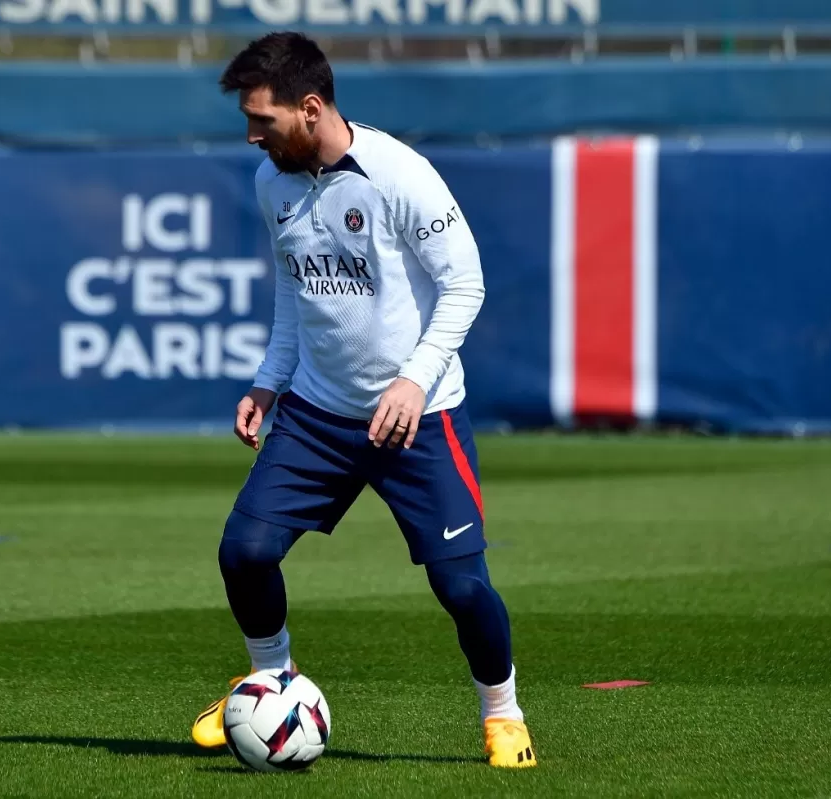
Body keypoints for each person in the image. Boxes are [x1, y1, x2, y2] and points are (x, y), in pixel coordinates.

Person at [191, 31, 536, 769]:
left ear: (310, 108)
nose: (252, 136)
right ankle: (268, 682)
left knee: (462, 585)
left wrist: (414, 379)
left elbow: (465, 284)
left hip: (422, 417)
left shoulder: (397, 173)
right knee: (244, 551)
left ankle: (502, 714)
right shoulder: (271, 181)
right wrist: (267, 379)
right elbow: (295, 291)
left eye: (263, 121)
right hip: (317, 414)